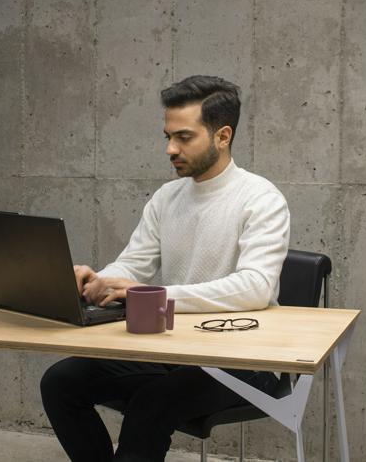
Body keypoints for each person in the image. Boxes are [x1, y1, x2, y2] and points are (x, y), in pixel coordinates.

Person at [40, 75, 290, 462]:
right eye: (167, 136)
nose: (171, 148)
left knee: (151, 404)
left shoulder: (261, 199)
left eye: (184, 137)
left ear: (223, 136)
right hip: (173, 351)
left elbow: (255, 287)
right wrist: (99, 280)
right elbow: (133, 265)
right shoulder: (168, 197)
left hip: (242, 362)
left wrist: (155, 296)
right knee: (60, 381)